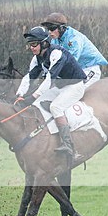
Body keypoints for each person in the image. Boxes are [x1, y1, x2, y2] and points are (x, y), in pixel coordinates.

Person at [15, 26, 88, 158]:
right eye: (30, 45)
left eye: (34, 44)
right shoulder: (38, 57)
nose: (31, 47)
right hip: (61, 87)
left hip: (75, 86)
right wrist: (19, 94)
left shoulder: (56, 53)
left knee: (56, 107)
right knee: (37, 103)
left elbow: (49, 79)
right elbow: (29, 77)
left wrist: (32, 96)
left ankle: (69, 146)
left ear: (44, 43)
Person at [41, 12, 107, 88]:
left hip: (89, 70)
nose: (49, 32)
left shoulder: (75, 39)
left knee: (76, 91)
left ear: (61, 28)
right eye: (48, 29)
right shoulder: (54, 40)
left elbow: (71, 61)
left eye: (52, 28)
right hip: (76, 72)